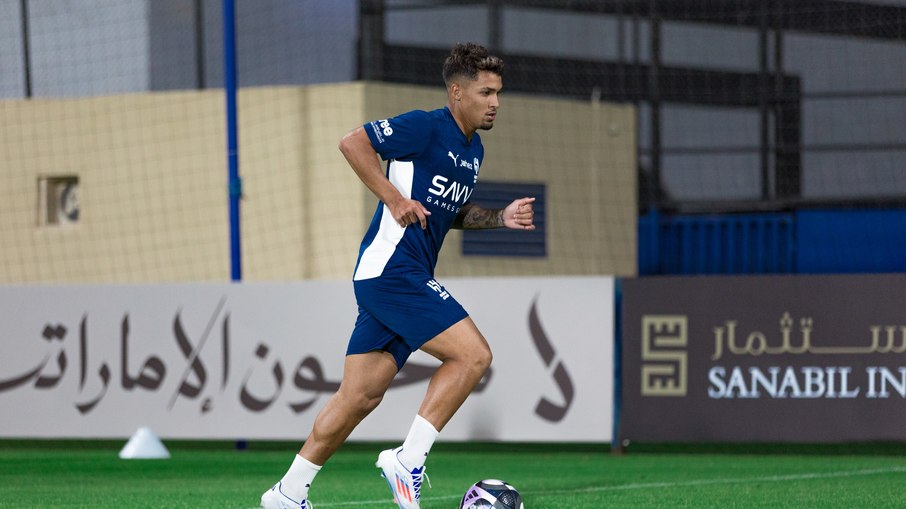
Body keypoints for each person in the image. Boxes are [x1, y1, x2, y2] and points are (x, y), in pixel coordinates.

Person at [261, 42, 535, 509]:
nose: (495, 102)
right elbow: (353, 142)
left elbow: (451, 213)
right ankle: (408, 459)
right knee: (473, 357)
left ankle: (287, 493)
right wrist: (393, 198)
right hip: (393, 270)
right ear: (457, 93)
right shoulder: (426, 126)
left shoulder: (474, 149)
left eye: (498, 93)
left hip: (390, 276)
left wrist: (499, 217)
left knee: (359, 397)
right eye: (486, 92)